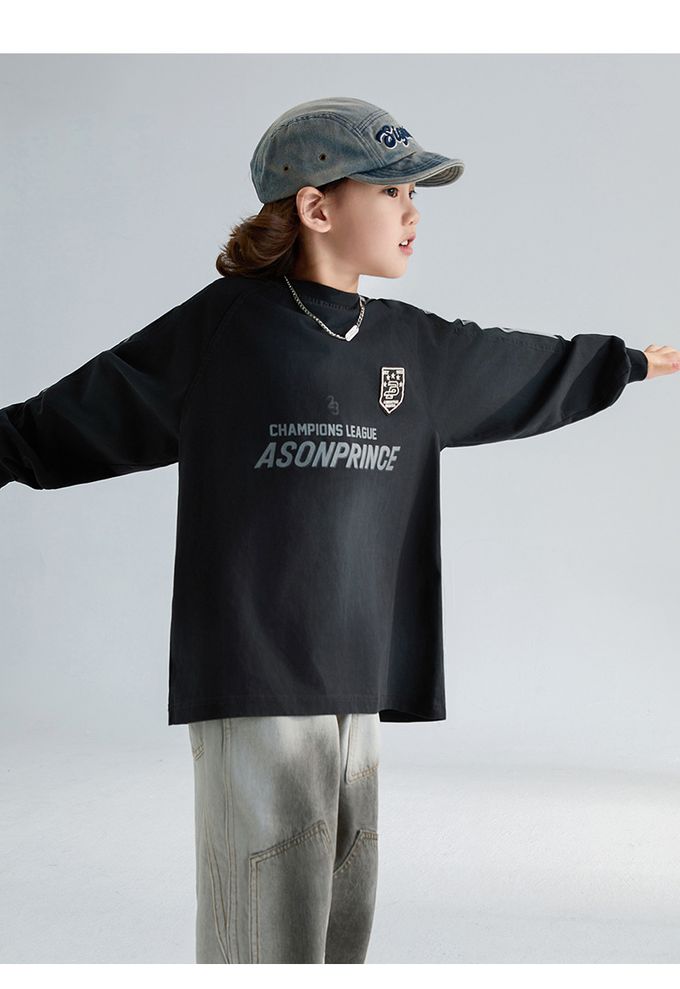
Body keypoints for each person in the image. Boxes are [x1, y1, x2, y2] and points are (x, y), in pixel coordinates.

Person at [1, 96, 678, 965]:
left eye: (414, 194)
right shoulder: (222, 330)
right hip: (255, 675)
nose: (412, 212)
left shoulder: (415, 349)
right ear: (317, 207)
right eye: (391, 191)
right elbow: (74, 415)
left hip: (360, 673)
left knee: (340, 921)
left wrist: (635, 361)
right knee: (265, 927)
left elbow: (530, 367)